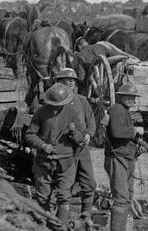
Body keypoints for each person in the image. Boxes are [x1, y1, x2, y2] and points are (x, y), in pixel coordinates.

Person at [25, 83, 87, 225]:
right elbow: (29, 136)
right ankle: (41, 226)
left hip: (66, 162)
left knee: (64, 196)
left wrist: (73, 133)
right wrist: (42, 145)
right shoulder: (40, 112)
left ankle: (60, 226)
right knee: (42, 196)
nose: (55, 107)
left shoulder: (73, 112)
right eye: (53, 104)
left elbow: (81, 138)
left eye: (59, 104)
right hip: (44, 161)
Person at [103, 84, 145, 231]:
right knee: (121, 199)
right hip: (117, 158)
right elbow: (116, 131)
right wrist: (135, 131)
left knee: (127, 198)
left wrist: (136, 147)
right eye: (128, 96)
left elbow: (123, 137)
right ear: (120, 96)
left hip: (126, 158)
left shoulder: (124, 111)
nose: (132, 99)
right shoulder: (117, 109)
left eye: (134, 97)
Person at [55, 68, 96, 216]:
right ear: (59, 82)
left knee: (89, 182)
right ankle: (60, 219)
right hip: (65, 148)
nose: (72, 81)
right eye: (68, 79)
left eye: (74, 79)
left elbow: (91, 121)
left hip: (82, 147)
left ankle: (86, 216)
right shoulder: (54, 101)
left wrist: (89, 134)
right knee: (65, 185)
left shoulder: (82, 100)